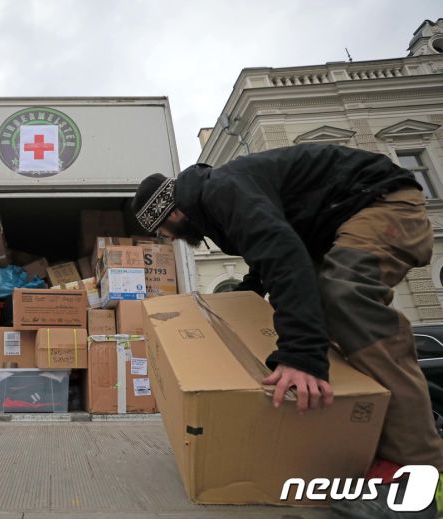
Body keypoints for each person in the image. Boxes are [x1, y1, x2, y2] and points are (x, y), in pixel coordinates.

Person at [132, 143, 443, 518]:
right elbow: (271, 252)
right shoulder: (217, 199)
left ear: (175, 212)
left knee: (344, 296)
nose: (169, 239)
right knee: (318, 312)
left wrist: (301, 358)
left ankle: (421, 478)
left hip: (381, 203)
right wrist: (247, 295)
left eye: (165, 230)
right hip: (334, 223)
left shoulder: (221, 191)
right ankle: (386, 430)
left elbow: (283, 253)